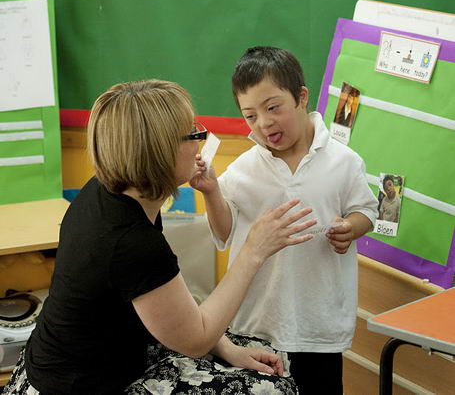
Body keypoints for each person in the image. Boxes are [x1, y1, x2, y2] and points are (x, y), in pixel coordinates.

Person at [3, 79, 317, 394]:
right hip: (77, 384)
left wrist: (226, 348)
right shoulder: (131, 240)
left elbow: (164, 305)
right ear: (160, 152)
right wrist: (253, 251)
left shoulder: (107, 189)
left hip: (74, 358)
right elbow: (196, 339)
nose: (200, 143)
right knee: (274, 388)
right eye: (193, 134)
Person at [191, 47, 379, 394]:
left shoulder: (344, 161)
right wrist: (212, 192)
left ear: (301, 97)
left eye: (273, 107)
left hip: (319, 327)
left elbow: (367, 209)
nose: (263, 123)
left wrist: (351, 228)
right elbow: (225, 233)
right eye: (250, 116)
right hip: (257, 325)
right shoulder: (245, 169)